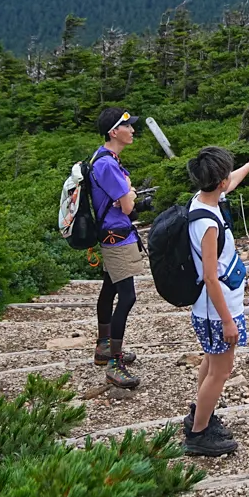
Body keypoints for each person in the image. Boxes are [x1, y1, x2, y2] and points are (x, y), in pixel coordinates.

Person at [183, 143, 249, 457]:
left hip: (210, 307)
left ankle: (201, 416)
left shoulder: (203, 201)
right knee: (221, 371)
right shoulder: (207, 223)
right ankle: (198, 435)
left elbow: (231, 180)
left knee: (211, 361)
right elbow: (210, 277)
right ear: (217, 182)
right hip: (216, 310)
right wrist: (227, 320)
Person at [90, 107, 149, 389]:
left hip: (111, 234)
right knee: (127, 297)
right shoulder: (108, 164)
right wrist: (130, 193)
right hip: (117, 237)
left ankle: (104, 347)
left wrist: (127, 191)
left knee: (109, 289)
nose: (133, 130)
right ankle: (115, 364)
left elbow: (123, 198)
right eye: (128, 127)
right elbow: (127, 206)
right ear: (115, 132)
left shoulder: (103, 157)